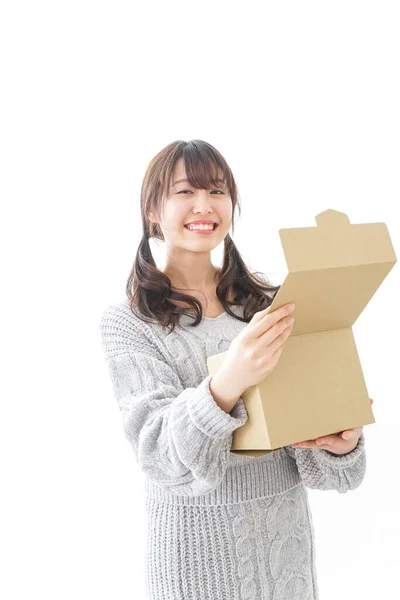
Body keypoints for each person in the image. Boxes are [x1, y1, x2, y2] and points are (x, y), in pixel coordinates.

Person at [99, 139, 369, 600]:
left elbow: (326, 473)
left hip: (285, 560)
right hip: (195, 564)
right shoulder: (129, 322)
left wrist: (339, 444)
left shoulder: (268, 305)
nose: (203, 205)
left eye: (217, 191)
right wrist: (229, 380)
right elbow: (161, 458)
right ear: (152, 210)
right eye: (185, 192)